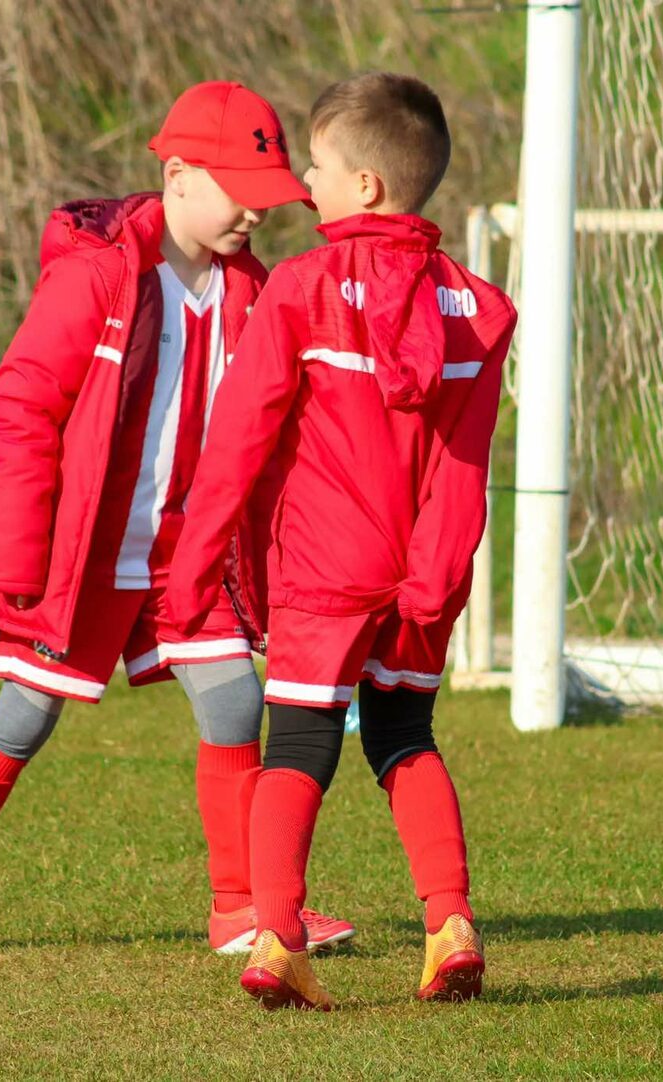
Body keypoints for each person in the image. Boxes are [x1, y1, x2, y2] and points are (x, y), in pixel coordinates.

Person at [0, 81, 354, 958]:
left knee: (235, 703)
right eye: (239, 194)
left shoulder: (254, 290)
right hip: (82, 560)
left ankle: (241, 910)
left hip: (191, 556)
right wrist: (16, 548)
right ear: (177, 175)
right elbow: (23, 407)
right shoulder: (98, 276)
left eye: (268, 197)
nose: (256, 215)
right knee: (23, 718)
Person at [166, 72, 517, 1009]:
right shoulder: (480, 309)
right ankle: (451, 923)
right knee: (405, 736)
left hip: (323, 567)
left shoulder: (301, 288)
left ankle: (277, 939)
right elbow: (467, 466)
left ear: (365, 185)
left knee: (296, 748)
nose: (305, 183)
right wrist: (438, 576)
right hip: (425, 566)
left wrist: (193, 572)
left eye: (317, 166)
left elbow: (237, 444)